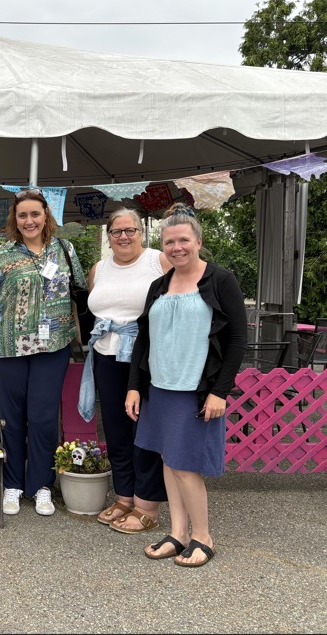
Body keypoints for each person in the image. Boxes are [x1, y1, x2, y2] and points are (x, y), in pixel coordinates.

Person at [125, 203, 247, 567]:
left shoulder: (220, 280)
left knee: (185, 465)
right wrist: (134, 386)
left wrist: (220, 391)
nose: (176, 247)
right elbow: (143, 340)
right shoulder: (159, 285)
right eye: (169, 242)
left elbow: (237, 341)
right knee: (167, 458)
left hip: (194, 389)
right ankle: (178, 534)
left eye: (183, 240)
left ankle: (203, 537)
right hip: (159, 387)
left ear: (198, 241)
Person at [0, 187, 86, 517]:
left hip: (53, 347)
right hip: (7, 349)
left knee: (45, 419)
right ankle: (13, 485)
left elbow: (84, 292)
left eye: (35, 213)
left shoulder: (64, 250)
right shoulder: (2, 256)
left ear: (46, 215)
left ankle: (42, 485)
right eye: (23, 215)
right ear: (15, 220)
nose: (29, 220)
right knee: (11, 420)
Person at [79, 208, 172, 533]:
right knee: (116, 429)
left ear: (141, 232)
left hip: (144, 356)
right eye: (117, 231)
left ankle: (148, 504)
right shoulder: (99, 269)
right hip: (105, 355)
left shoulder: (158, 262)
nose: (123, 236)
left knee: (143, 430)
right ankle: (124, 496)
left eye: (130, 230)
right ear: (109, 236)